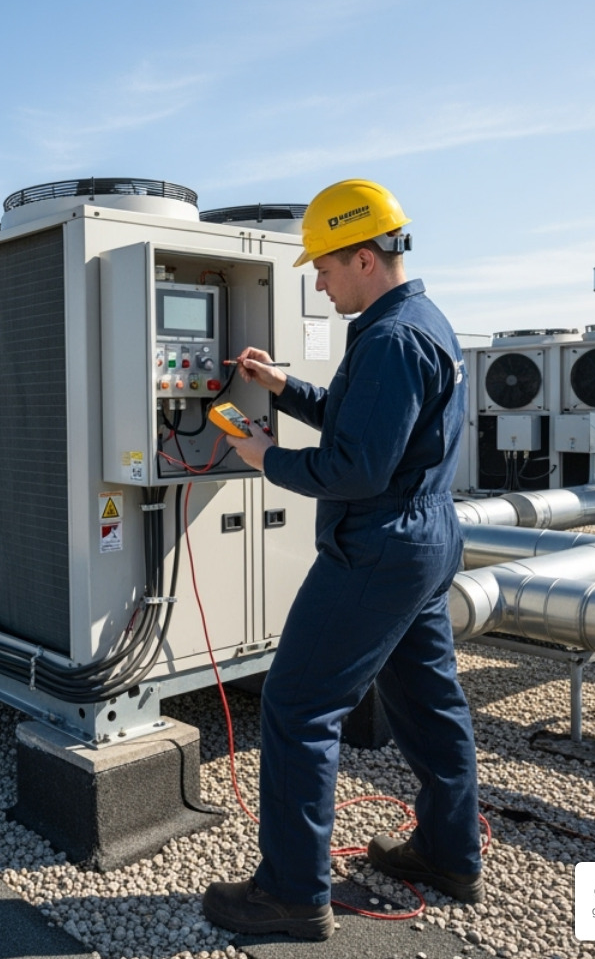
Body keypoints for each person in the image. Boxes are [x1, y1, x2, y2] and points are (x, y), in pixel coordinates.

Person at [201, 179, 482, 941]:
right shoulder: (418, 322)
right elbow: (367, 419)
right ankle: (451, 854)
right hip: (423, 542)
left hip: (378, 548)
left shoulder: (391, 338)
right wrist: (285, 388)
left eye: (323, 268)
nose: (317, 282)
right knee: (428, 702)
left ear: (365, 256)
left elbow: (358, 467)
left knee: (297, 706)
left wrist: (267, 459)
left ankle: (291, 893)